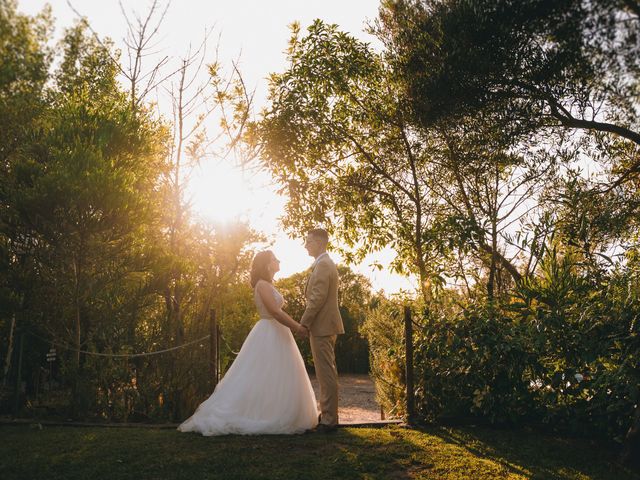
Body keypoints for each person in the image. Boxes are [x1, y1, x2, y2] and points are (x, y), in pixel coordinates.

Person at [178, 250, 318, 435]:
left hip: (277, 332)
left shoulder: (268, 284)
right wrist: (298, 327)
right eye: (275, 259)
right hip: (268, 332)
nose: (279, 261)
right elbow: (275, 312)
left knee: (276, 375)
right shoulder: (262, 285)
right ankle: (262, 415)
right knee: (263, 374)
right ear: (268, 264)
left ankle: (273, 410)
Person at [300, 228, 344, 433]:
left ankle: (329, 419)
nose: (306, 245)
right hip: (324, 325)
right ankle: (327, 414)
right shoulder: (322, 263)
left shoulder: (324, 265)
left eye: (309, 241)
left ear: (319, 242)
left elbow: (317, 298)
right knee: (326, 371)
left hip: (322, 326)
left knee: (326, 373)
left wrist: (304, 322)